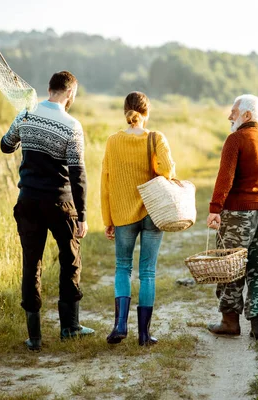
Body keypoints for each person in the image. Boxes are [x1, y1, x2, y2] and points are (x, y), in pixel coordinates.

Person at [1, 71, 95, 351]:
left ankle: (35, 337)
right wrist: (82, 216)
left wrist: (21, 129)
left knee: (32, 264)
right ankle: (70, 327)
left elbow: (6, 146)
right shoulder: (71, 125)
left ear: (48, 89)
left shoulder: (27, 113)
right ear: (70, 94)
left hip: (28, 200)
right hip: (61, 203)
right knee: (70, 260)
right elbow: (78, 175)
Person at [101, 91, 176, 345]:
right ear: (146, 112)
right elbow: (167, 170)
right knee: (148, 272)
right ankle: (144, 334)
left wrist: (107, 218)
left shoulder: (112, 141)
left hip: (123, 213)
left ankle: (120, 325)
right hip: (153, 211)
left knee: (123, 267)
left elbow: (106, 183)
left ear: (125, 112)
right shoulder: (156, 138)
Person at [206, 94, 258, 340]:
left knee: (231, 265)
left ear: (247, 115)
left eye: (233, 111)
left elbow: (225, 179)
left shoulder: (235, 139)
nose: (230, 116)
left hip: (237, 213)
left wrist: (215, 209)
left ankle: (230, 322)